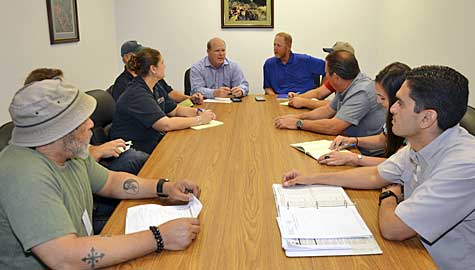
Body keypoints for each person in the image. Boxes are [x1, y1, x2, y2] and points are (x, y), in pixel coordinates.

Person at [282, 65, 475, 270]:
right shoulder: (422, 142)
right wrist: (309, 179)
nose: (391, 108)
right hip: (413, 251)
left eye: (400, 103)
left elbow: (394, 228)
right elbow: (375, 175)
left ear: (427, 118)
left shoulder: (463, 166)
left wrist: (389, 196)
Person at [0, 79, 201, 269]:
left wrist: (164, 187)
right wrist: (159, 237)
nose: (90, 124)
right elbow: (64, 258)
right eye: (81, 119)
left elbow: (111, 181)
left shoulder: (71, 152)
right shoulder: (24, 175)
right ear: (57, 131)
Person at [274, 50, 386, 156]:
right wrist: (297, 117)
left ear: (336, 77)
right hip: (350, 143)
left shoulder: (361, 91)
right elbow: (327, 110)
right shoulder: (346, 84)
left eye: (327, 73)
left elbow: (334, 127)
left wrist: (298, 124)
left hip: (367, 152)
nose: (325, 76)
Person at [110, 47, 216, 154]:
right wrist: (200, 120)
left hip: (153, 140)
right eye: (162, 63)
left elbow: (175, 110)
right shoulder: (137, 93)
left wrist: (196, 112)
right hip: (136, 149)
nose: (164, 66)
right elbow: (165, 124)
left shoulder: (155, 86)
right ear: (153, 69)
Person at [318, 62, 409, 166]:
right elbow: (384, 139)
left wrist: (354, 158)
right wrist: (354, 140)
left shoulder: (410, 123)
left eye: (383, 98)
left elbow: (398, 165)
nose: (378, 101)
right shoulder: (395, 115)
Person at [112, 40, 203, 104]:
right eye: (139, 55)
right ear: (127, 58)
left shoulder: (151, 76)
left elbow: (169, 93)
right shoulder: (123, 84)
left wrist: (190, 99)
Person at [287, 41, 355, 110]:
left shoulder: (351, 83)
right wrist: (298, 96)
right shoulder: (336, 77)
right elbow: (318, 93)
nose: (328, 58)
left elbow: (335, 105)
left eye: (333, 57)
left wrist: (305, 102)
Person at [263, 32, 326, 103]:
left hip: (305, 100)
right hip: (280, 101)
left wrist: (321, 92)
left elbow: (329, 69)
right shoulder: (269, 64)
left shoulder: (305, 60)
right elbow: (267, 87)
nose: (275, 48)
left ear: (288, 47)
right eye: (274, 45)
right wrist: (275, 99)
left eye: (279, 45)